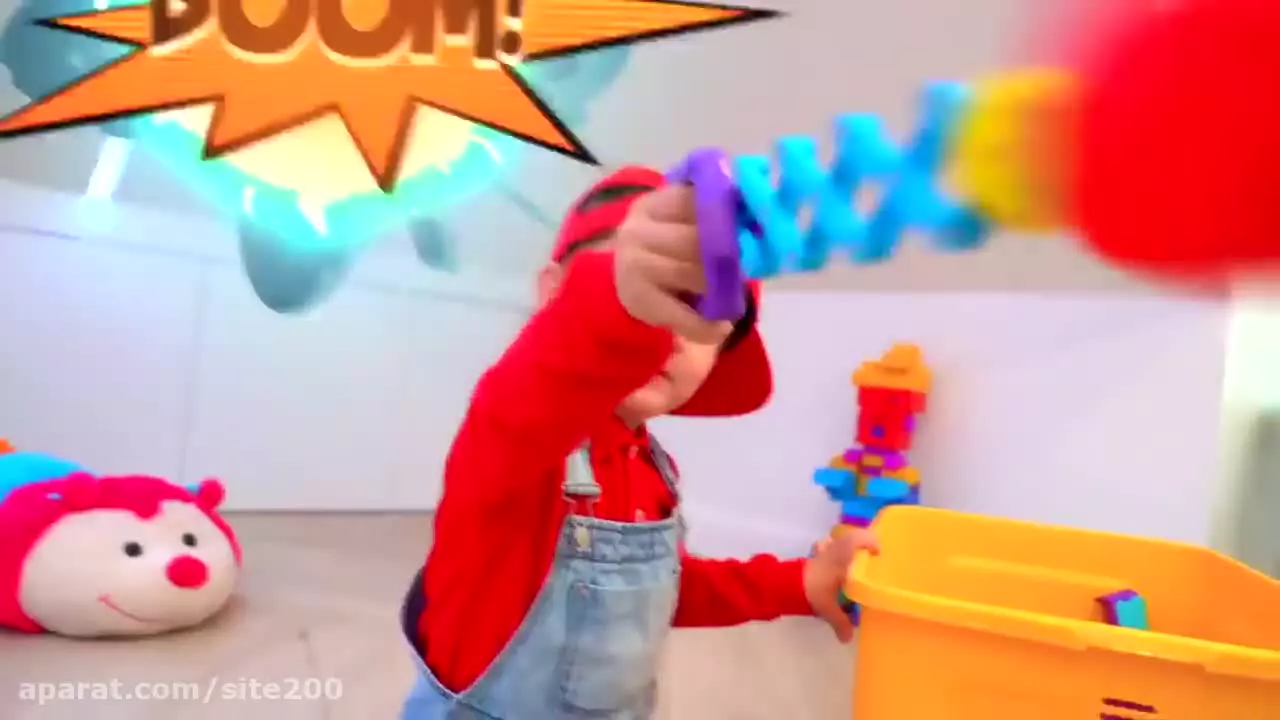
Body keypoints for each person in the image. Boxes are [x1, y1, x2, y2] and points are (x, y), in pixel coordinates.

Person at [400, 166, 880, 719]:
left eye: (701, 308)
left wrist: (797, 583)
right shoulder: (515, 435)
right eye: (649, 298)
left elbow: (654, 591)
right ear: (555, 293)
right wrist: (618, 307)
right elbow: (554, 371)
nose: (668, 331)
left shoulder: (651, 467)